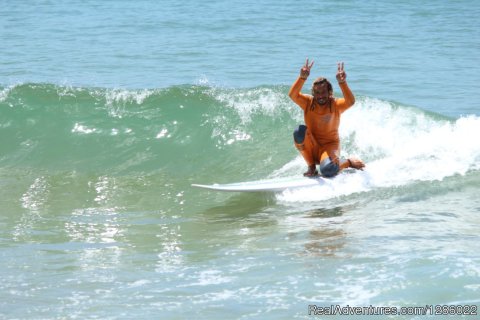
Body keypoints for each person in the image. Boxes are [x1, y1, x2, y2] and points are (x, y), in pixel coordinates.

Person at [288, 58, 365, 177]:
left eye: (323, 92)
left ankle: (347, 162)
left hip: (330, 147)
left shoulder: (335, 105)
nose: (320, 96)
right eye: (317, 92)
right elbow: (292, 95)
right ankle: (311, 167)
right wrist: (302, 77)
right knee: (299, 131)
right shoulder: (308, 102)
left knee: (328, 171)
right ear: (313, 93)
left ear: (330, 92)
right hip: (312, 146)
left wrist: (342, 83)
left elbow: (350, 101)